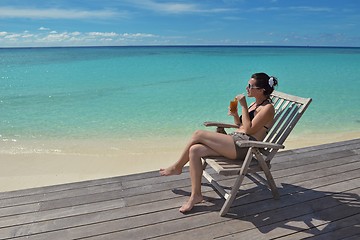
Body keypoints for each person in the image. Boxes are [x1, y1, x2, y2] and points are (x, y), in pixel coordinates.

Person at [160, 72, 279, 213]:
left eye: (250, 86)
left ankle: (177, 167)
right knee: (195, 150)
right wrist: (235, 115)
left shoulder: (268, 108)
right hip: (236, 141)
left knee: (198, 134)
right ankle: (196, 195)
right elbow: (241, 125)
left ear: (261, 90)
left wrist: (243, 106)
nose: (247, 88)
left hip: (246, 147)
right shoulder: (256, 104)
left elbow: (248, 130)